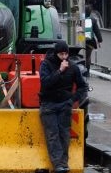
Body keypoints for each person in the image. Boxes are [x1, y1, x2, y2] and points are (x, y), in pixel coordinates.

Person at [39, 39, 88, 173]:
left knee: (64, 135)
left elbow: (83, 87)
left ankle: (63, 164)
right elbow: (45, 83)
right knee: (52, 134)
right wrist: (59, 71)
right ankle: (58, 165)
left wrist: (72, 100)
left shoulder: (73, 67)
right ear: (56, 54)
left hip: (65, 105)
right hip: (48, 104)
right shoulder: (46, 65)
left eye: (66, 54)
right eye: (61, 55)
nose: (64, 57)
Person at [85, 4, 104, 73]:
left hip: (80, 39)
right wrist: (100, 40)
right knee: (88, 56)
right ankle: (87, 71)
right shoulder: (93, 20)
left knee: (81, 55)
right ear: (90, 12)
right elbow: (97, 31)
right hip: (90, 41)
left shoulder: (80, 19)